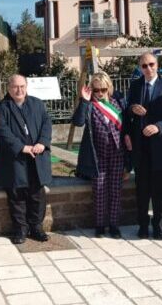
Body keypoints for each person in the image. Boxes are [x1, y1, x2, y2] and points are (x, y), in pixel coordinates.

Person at [122, 52, 162, 239]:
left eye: (151, 64)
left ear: (157, 65)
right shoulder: (135, 85)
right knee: (142, 189)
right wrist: (132, 111)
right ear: (140, 67)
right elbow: (127, 111)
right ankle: (143, 225)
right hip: (140, 146)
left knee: (158, 190)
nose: (148, 69)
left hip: (159, 145)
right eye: (144, 66)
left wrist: (158, 126)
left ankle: (158, 225)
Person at [0, 74, 53, 245]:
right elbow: (2, 131)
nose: (19, 90)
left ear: (26, 87)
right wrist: (21, 147)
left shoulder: (37, 103)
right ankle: (20, 229)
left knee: (37, 195)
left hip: (37, 157)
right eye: (15, 87)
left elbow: (46, 124)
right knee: (17, 196)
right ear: (8, 88)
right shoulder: (1, 107)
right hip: (15, 159)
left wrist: (42, 142)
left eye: (22, 86)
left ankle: (36, 227)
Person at [72, 71, 126, 238]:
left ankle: (114, 225)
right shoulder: (90, 105)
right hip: (98, 155)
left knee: (115, 191)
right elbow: (78, 122)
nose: (100, 93)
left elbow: (127, 126)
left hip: (117, 153)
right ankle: (100, 225)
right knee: (100, 190)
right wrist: (84, 101)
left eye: (103, 89)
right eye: (96, 90)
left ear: (108, 88)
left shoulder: (117, 103)